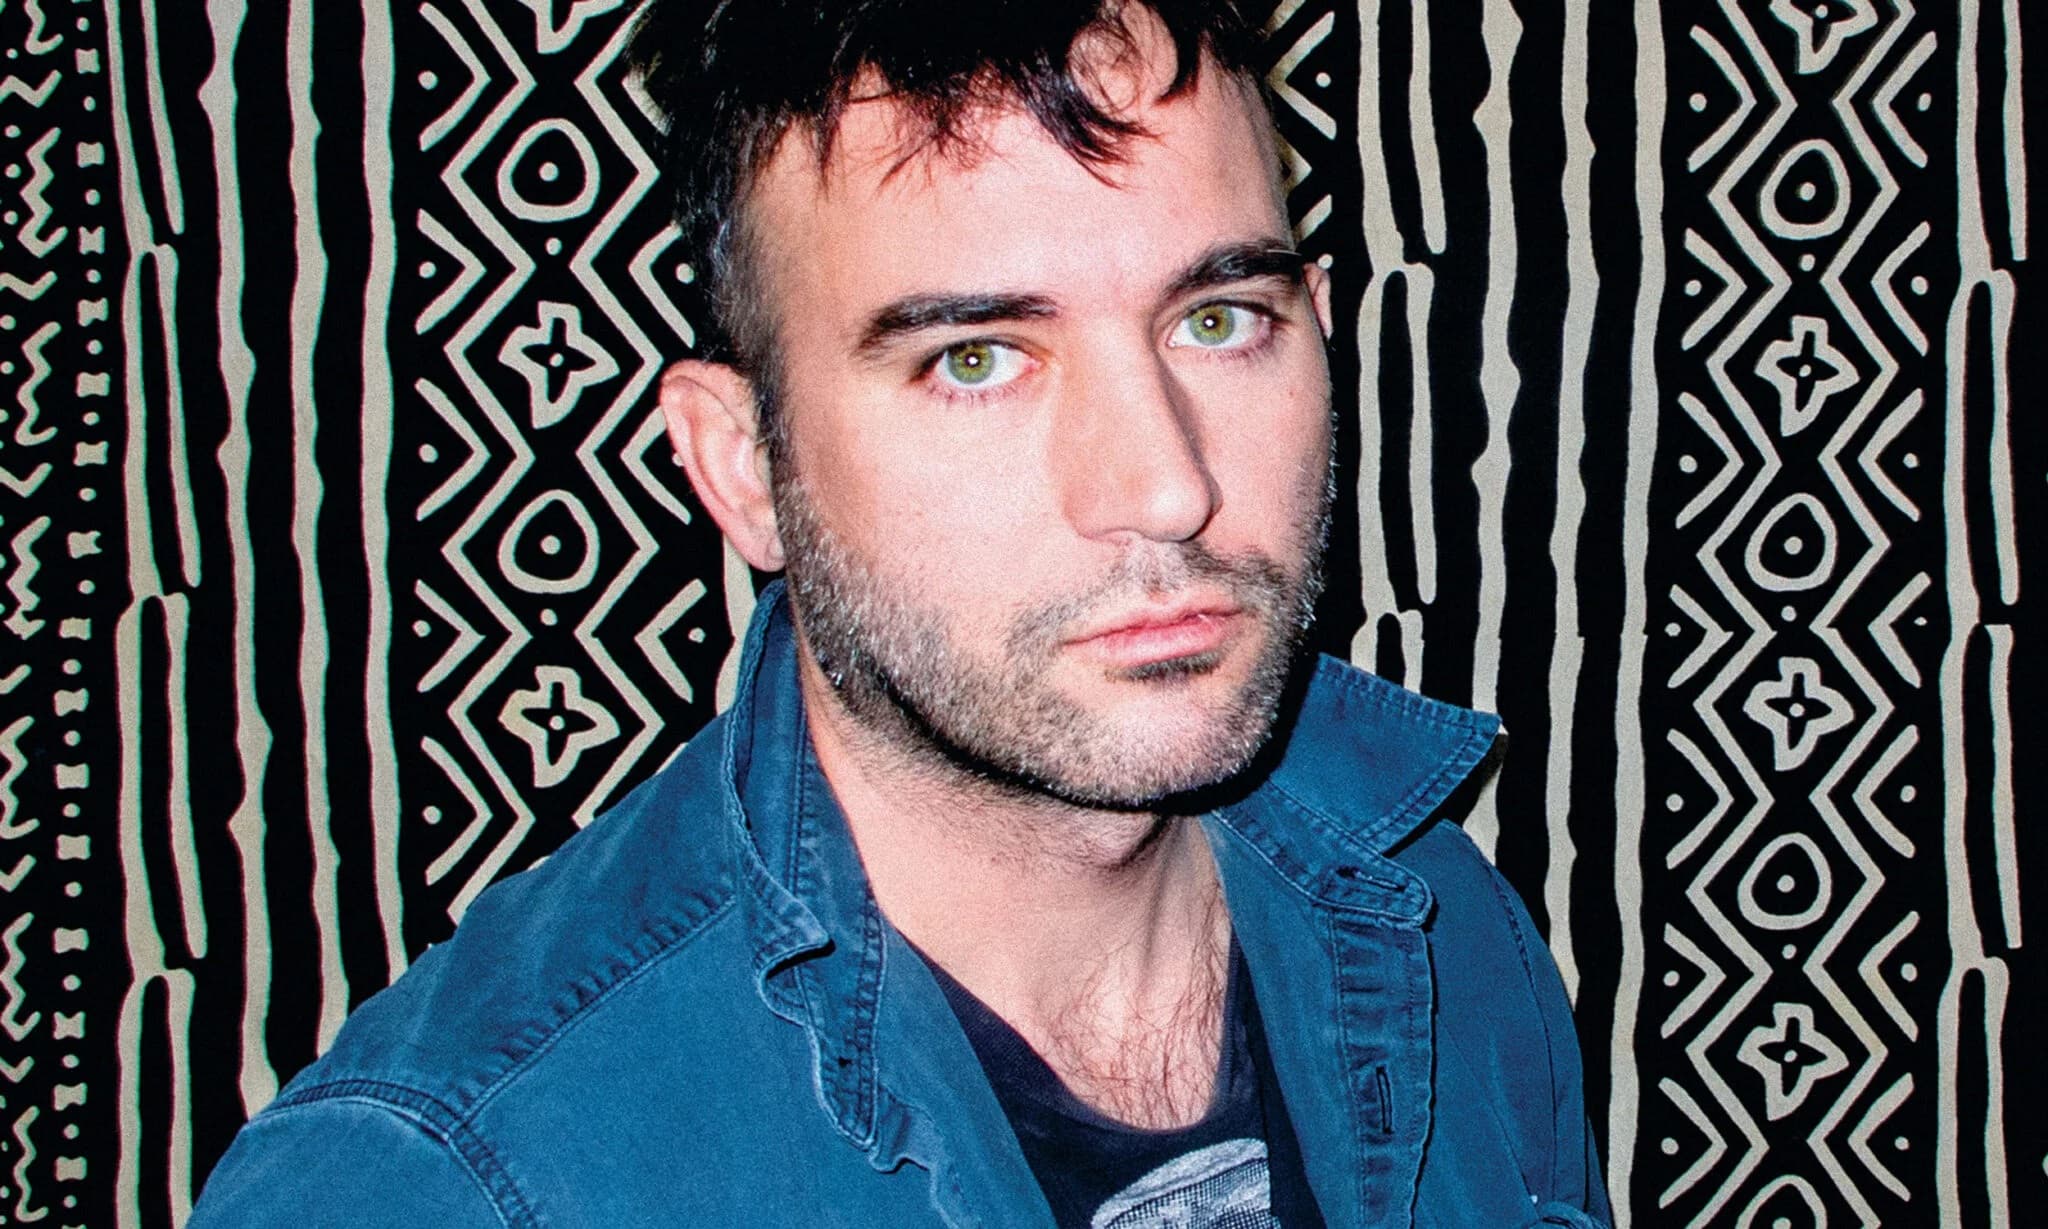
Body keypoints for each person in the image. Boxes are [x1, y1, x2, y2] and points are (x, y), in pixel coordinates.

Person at [191, 1, 1610, 1225]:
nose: (1166, 486)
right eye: (977, 358)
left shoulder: (1443, 924)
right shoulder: (444, 1182)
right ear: (743, 467)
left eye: (1218, 320)